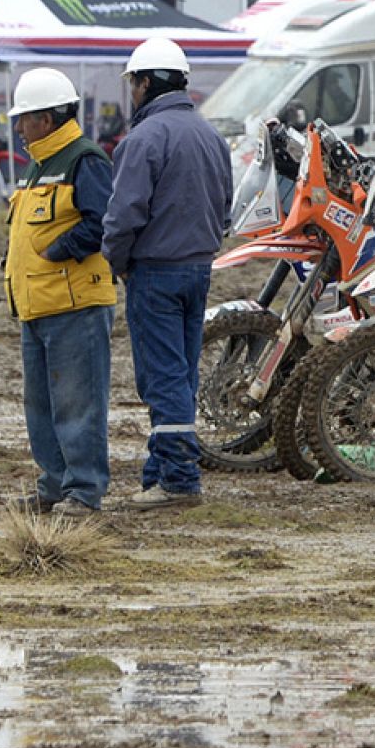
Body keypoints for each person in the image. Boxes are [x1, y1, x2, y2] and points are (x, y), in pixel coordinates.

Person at [102, 38, 232, 511]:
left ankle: (178, 481)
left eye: (134, 83)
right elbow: (225, 208)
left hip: (154, 272)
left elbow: (123, 216)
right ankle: (158, 473)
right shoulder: (209, 135)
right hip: (198, 269)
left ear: (145, 83)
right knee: (181, 374)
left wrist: (115, 261)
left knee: (163, 378)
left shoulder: (144, 139)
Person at [3, 68, 116, 517]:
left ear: (46, 119)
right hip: (38, 305)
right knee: (43, 407)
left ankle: (84, 492)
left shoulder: (84, 160)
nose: (18, 128)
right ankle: (53, 487)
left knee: (77, 403)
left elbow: (103, 221)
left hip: (74, 304)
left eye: (25, 119)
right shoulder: (40, 166)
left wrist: (58, 251)